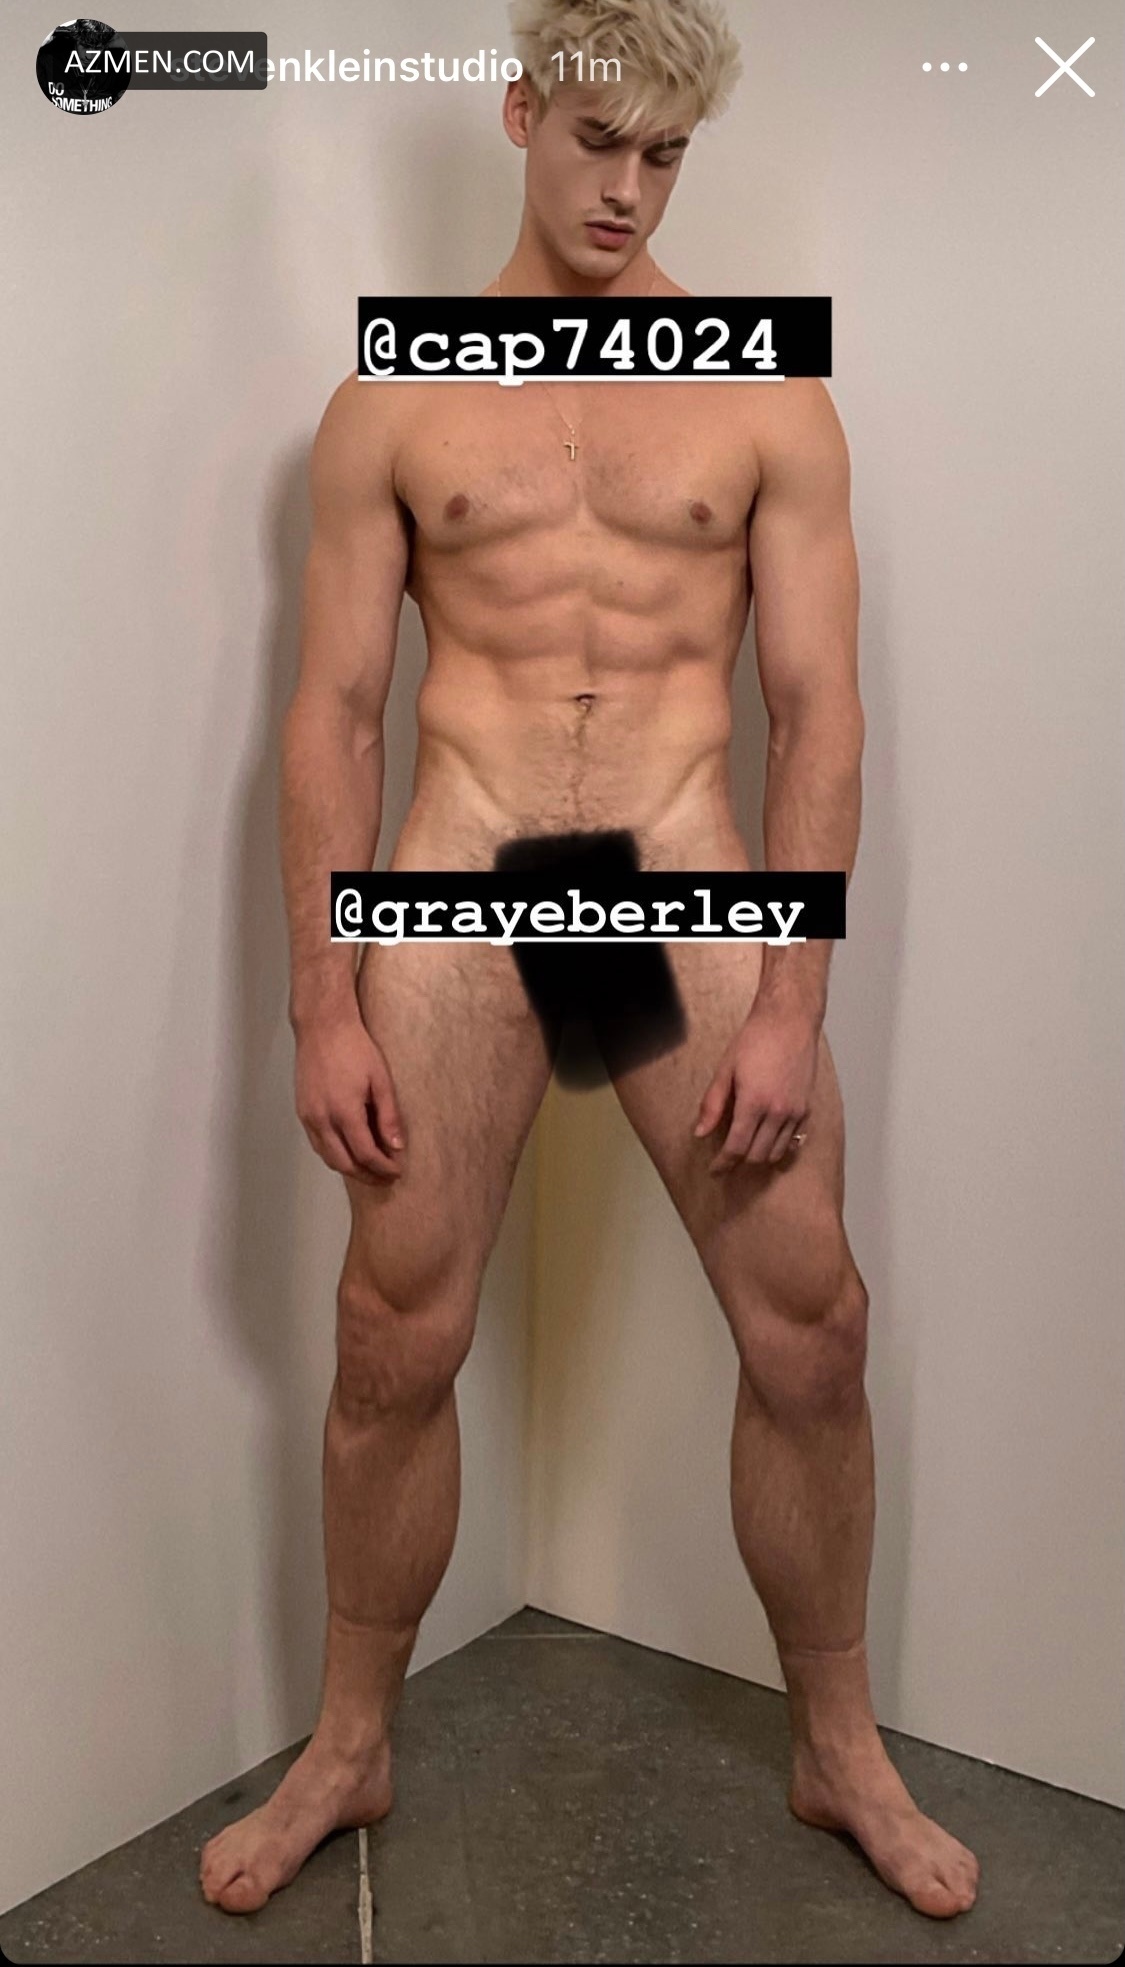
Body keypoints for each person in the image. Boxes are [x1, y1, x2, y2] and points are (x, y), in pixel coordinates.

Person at [200, 0, 980, 1924]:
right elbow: (333, 715)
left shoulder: (761, 389)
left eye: (667, 156)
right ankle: (353, 1741)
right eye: (599, 142)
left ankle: (835, 1747)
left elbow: (816, 713)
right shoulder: (395, 391)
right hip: (465, 876)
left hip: (675, 871)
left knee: (810, 1325)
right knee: (394, 1334)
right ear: (520, 113)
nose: (629, 190)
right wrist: (319, 997)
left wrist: (789, 994)